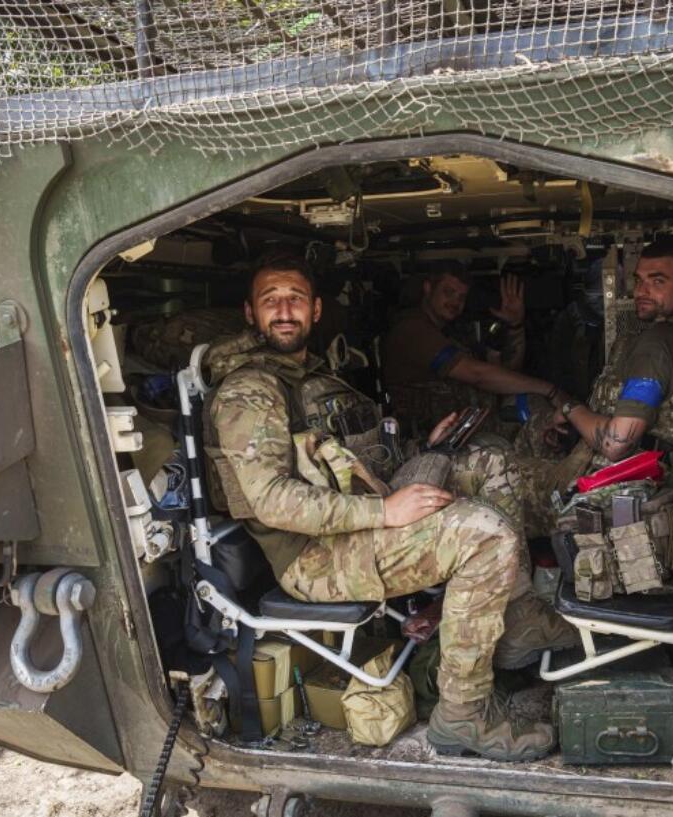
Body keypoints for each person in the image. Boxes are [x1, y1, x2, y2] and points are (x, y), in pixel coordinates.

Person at [207, 251, 573, 762]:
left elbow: (356, 464)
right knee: (484, 534)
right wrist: (386, 513)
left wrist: (426, 452)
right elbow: (270, 500)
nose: (284, 311)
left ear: (315, 310)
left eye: (294, 299)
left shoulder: (315, 376)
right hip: (314, 557)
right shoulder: (252, 390)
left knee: (489, 459)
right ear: (251, 314)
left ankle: (519, 618)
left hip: (357, 523)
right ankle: (463, 714)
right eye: (271, 301)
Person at [516, 236, 673, 535]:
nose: (641, 291)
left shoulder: (660, 344)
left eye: (657, 281)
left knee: (491, 474)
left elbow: (616, 443)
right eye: (639, 280)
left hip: (613, 489)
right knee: (533, 435)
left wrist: (569, 407)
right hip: (654, 480)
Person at [381, 261, 564, 438]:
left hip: (473, 429)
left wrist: (515, 325)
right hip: (436, 439)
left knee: (538, 411)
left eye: (461, 297)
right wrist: (550, 390)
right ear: (428, 288)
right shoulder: (412, 331)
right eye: (449, 292)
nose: (455, 302)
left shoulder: (454, 333)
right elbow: (478, 375)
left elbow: (506, 376)